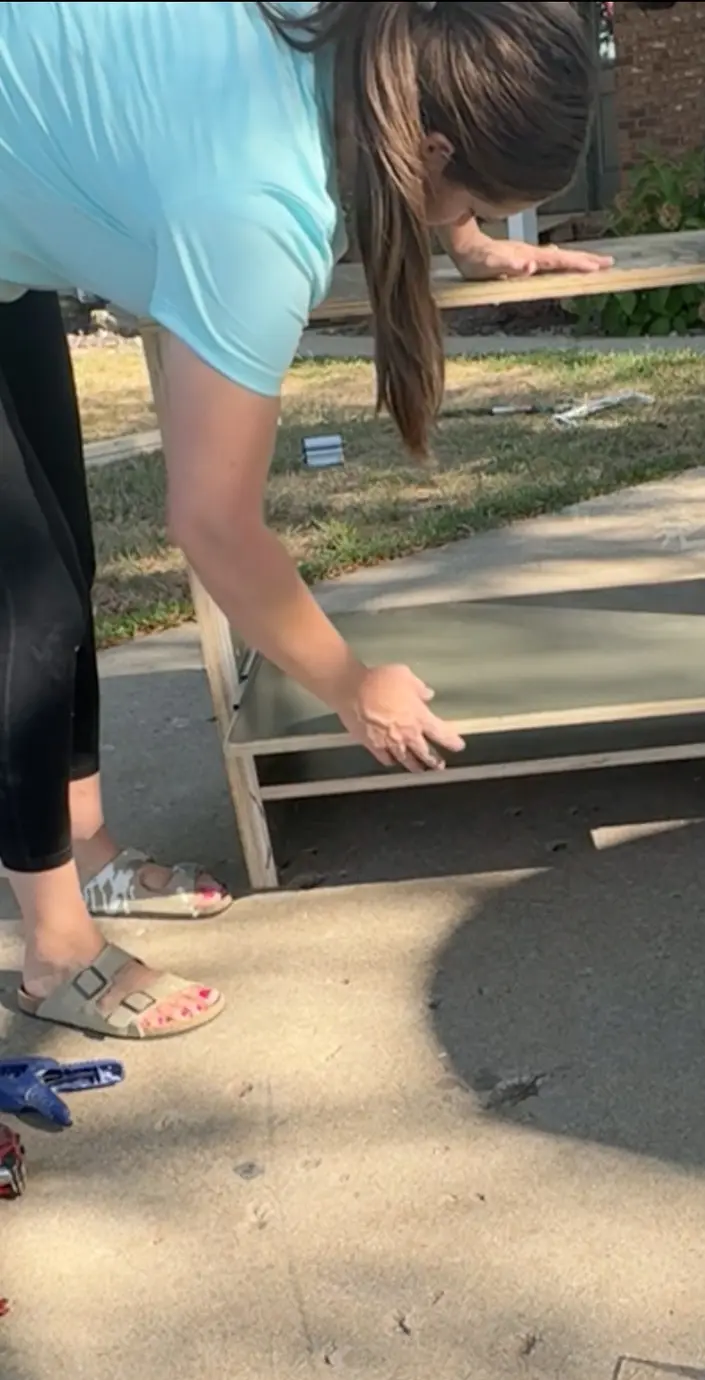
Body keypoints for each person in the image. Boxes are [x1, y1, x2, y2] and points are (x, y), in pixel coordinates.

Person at [0, 1, 611, 1040]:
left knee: (70, 551)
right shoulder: (259, 211)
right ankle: (52, 946)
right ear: (428, 148)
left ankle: (86, 851)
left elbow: (425, 122)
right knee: (28, 604)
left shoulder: (368, 31)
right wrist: (350, 685)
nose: (468, 218)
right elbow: (211, 524)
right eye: (476, 200)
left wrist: (466, 236)